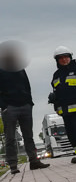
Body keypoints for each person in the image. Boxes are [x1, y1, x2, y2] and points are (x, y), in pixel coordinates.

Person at [0, 40, 50, 174]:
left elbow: (27, 85)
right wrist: (4, 106)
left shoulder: (20, 68)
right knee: (10, 138)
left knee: (29, 136)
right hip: (9, 107)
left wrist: (30, 102)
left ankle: (34, 161)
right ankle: (13, 165)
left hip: (25, 106)